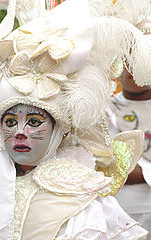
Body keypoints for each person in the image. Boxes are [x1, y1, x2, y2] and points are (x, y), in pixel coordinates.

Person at [0, 0, 151, 239]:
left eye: (34, 121)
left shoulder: (79, 192)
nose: (19, 131)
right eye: (9, 122)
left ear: (58, 130)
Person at [108, 19, 151, 239]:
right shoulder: (101, 109)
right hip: (117, 217)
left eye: (139, 59)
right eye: (126, 60)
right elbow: (100, 166)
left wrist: (134, 170)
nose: (131, 69)